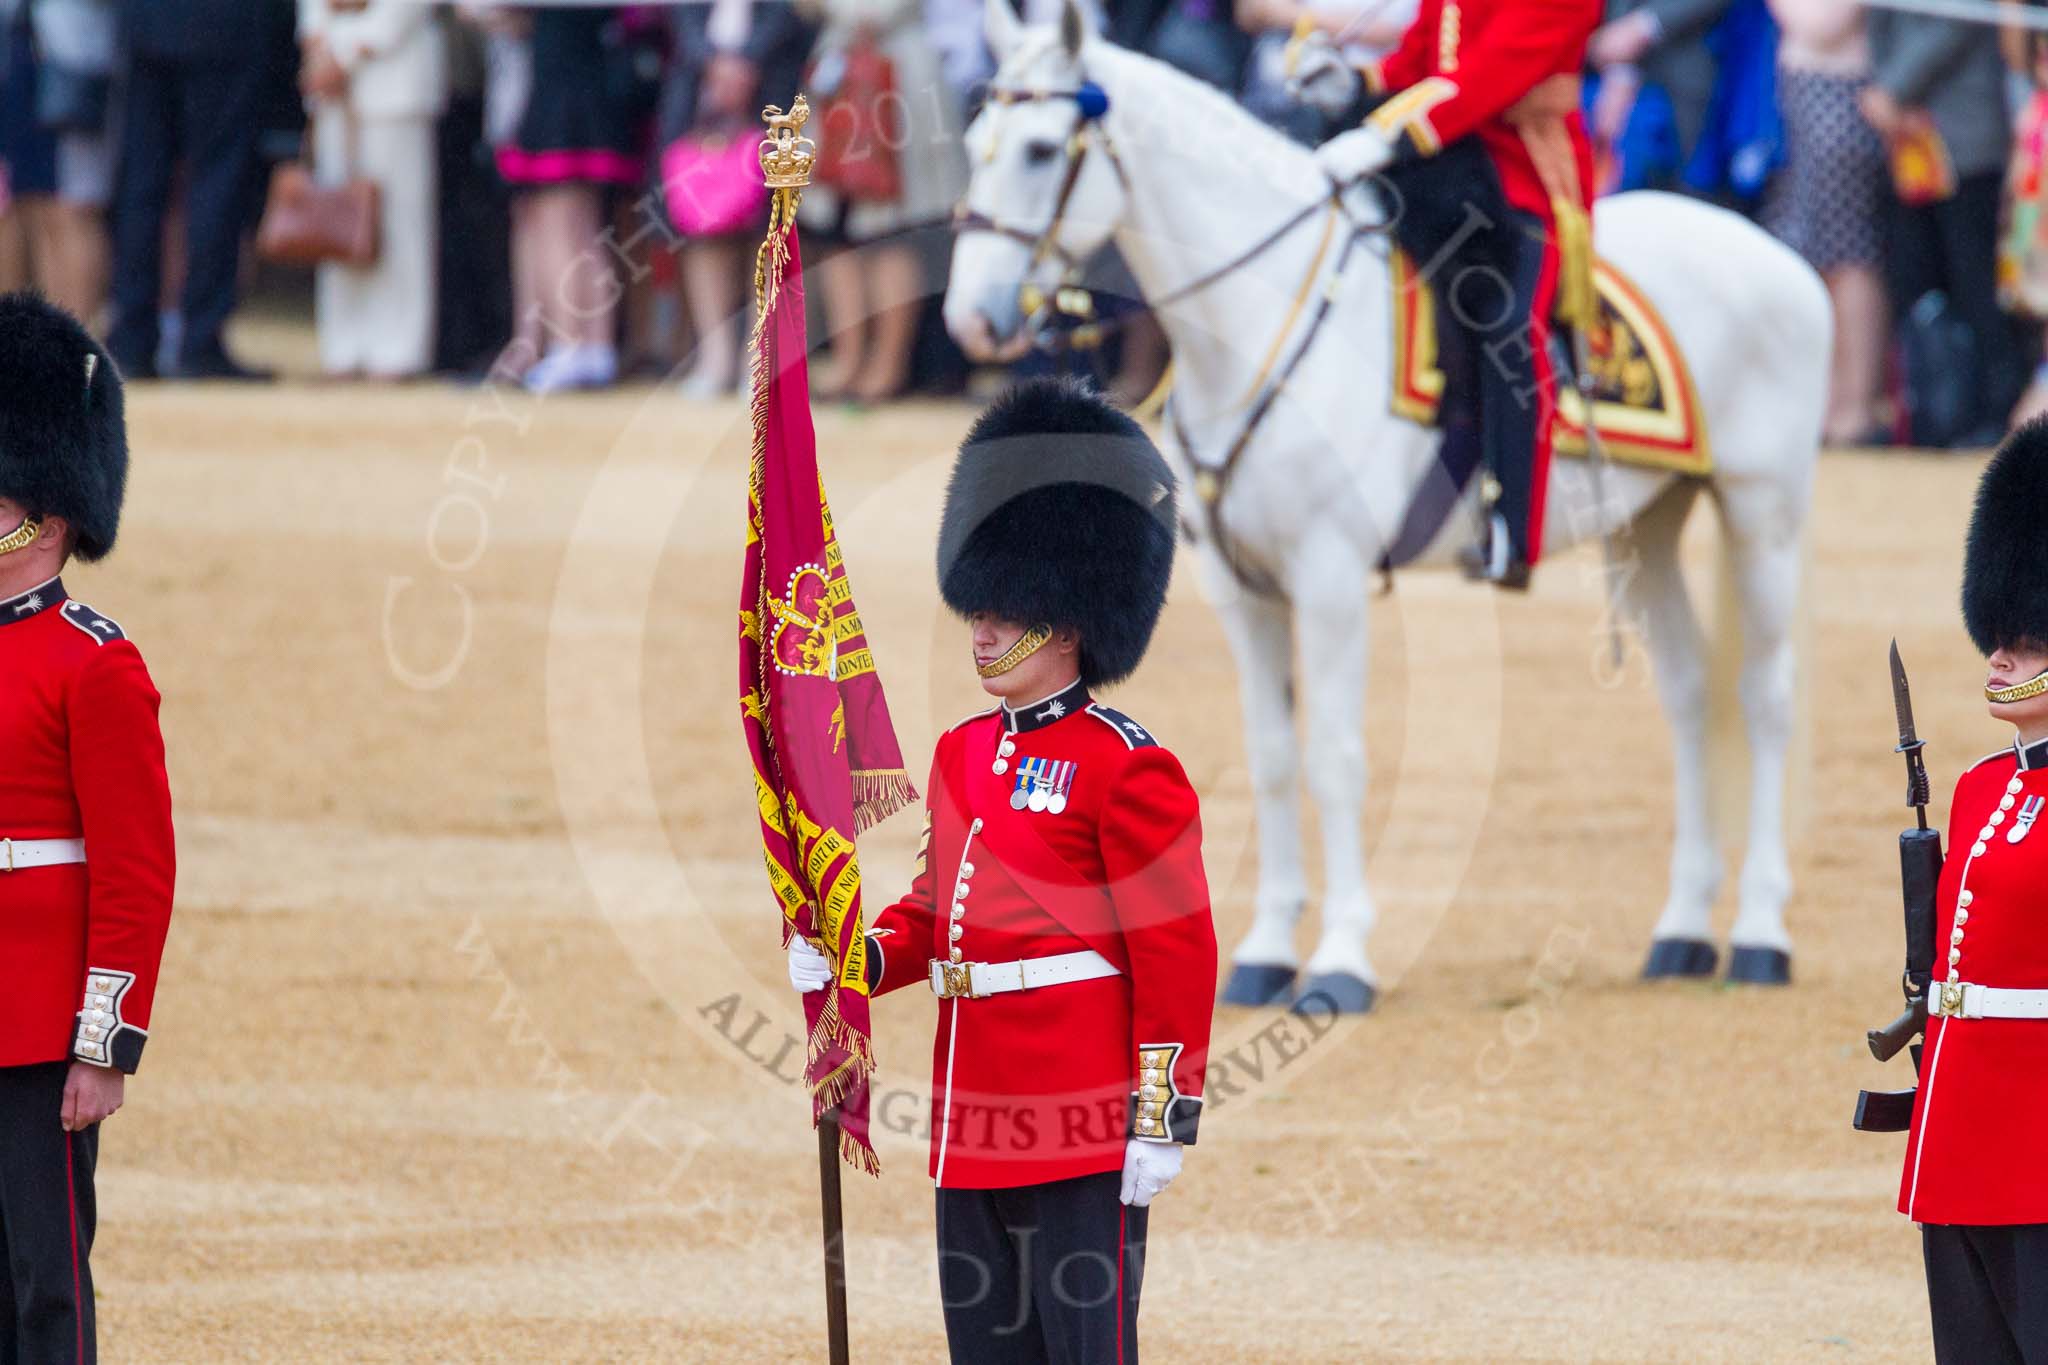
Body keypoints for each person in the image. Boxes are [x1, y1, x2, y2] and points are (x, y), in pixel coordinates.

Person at [787, 379, 1218, 1362]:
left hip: (1081, 1124)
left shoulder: (1127, 764)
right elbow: (936, 912)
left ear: (1065, 619)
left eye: (1003, 609)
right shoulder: (961, 753)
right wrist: (845, 958)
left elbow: (1174, 952)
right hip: (969, 1118)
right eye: (974, 607)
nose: (978, 629)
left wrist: (1161, 1115)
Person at [0, 293, 176, 1364]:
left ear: (49, 514)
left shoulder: (96, 663)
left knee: (46, 1286)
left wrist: (104, 1045)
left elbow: (135, 872)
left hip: (39, 1017)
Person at [1300, 0, 1603, 588]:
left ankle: (1513, 529)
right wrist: (1353, 80)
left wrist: (1383, 133)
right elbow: (1420, 59)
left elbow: (1487, 77)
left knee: (1511, 327)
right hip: (1442, 167)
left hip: (1524, 174)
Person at [1899, 417, 2048, 1358]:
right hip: (1959, 1125)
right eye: (1998, 637)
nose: (2000, 657)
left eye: (2027, 643)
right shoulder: (1982, 785)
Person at [1862, 6, 2018, 449]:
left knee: (1975, 282)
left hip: (1964, 138)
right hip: (1904, 140)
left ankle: (1991, 412)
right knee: (1916, 279)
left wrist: (1893, 91)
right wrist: (1887, 100)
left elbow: (1957, 19)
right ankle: (1931, 413)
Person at [108, 0, 287, 381]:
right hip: (222, 24)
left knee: (142, 185)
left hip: (147, 23)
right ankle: (200, 341)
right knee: (217, 181)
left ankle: (131, 341)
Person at [298, 0, 449, 380]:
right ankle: (343, 347)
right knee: (335, 219)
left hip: (394, 83)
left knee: (400, 223)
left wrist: (346, 50)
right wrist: (320, 47)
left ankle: (399, 349)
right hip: (333, 93)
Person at [1765, 0, 1888, 447]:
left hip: (1838, 97)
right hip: (1805, 94)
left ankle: (1855, 406)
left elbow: (1821, 23)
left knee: (1849, 254)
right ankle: (1833, 400)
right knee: (1815, 251)